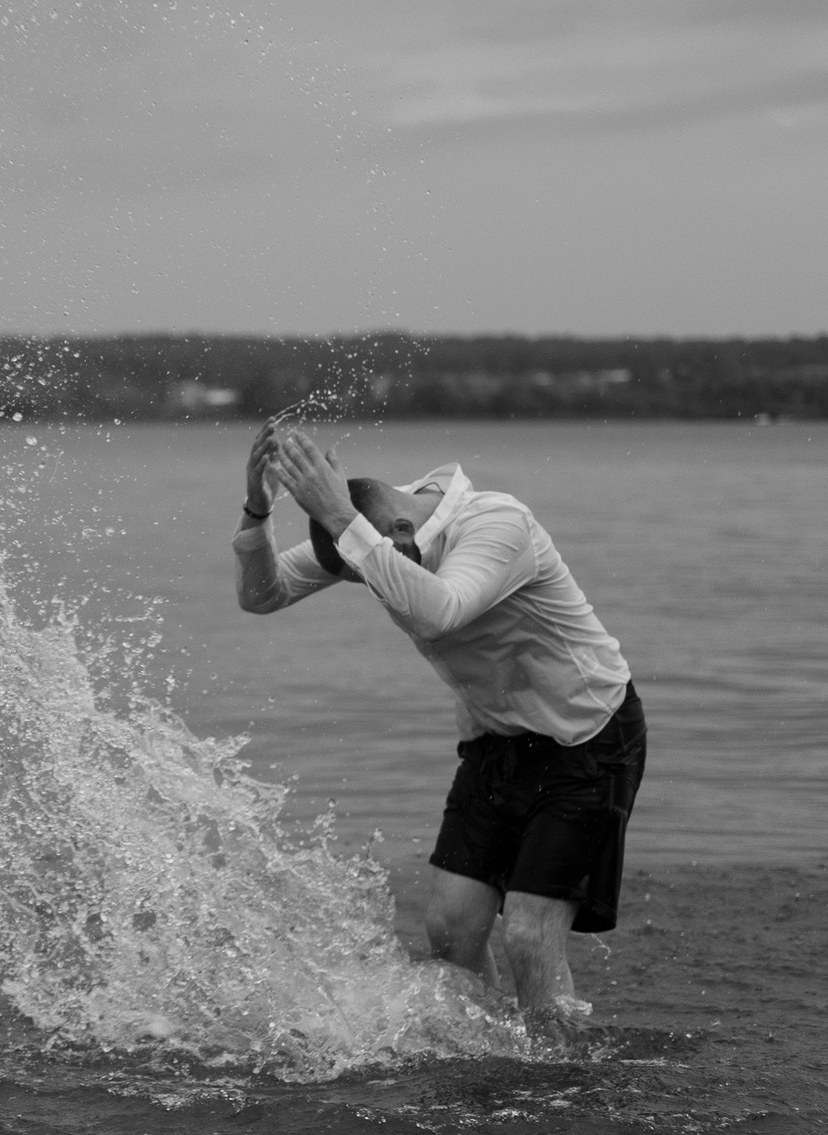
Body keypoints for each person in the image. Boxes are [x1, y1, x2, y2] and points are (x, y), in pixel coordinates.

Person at [233, 426, 646, 1036]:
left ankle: (562, 1079)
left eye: (370, 566)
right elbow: (261, 596)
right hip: (494, 743)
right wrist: (258, 506)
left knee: (529, 936)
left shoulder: (498, 524)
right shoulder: (374, 536)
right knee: (451, 932)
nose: (372, 585)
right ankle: (492, 1057)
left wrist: (340, 516)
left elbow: (440, 609)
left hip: (587, 740)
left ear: (400, 531)